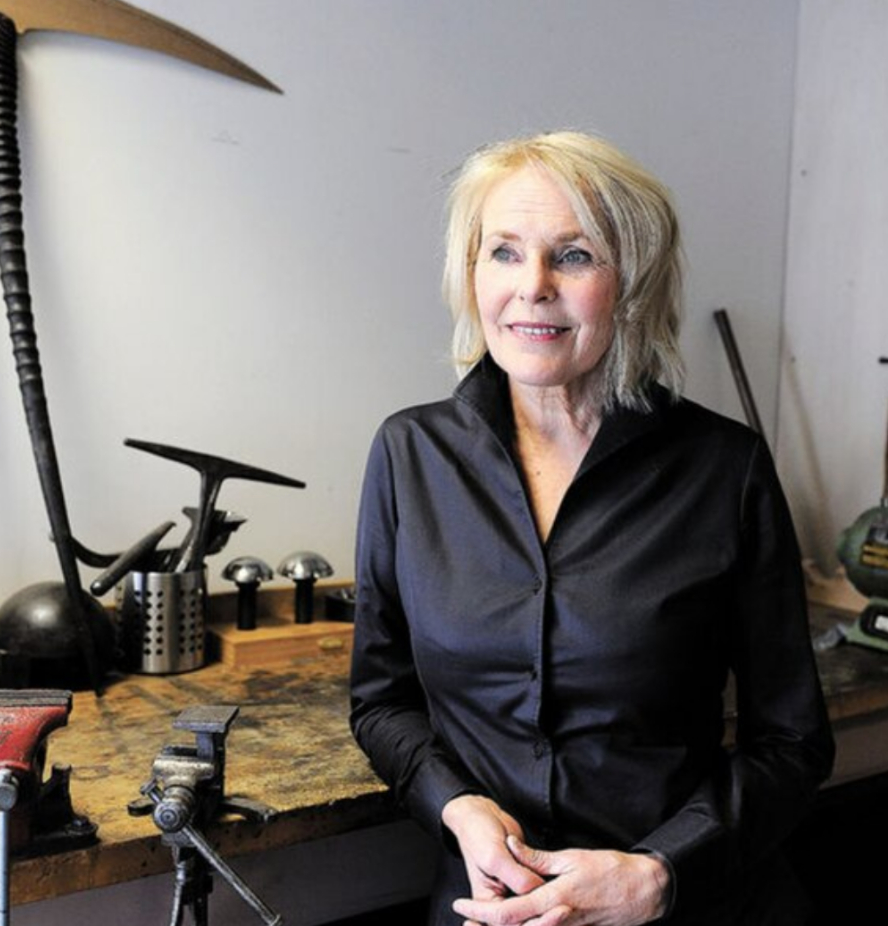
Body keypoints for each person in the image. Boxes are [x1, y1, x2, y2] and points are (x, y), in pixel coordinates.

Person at [349, 130, 834, 926]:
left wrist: (661, 873)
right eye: (504, 252)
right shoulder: (411, 455)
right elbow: (381, 702)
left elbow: (792, 743)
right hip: (490, 908)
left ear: (634, 282)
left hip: (685, 906)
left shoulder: (727, 468)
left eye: (573, 256)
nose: (532, 286)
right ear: (471, 273)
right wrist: (456, 805)